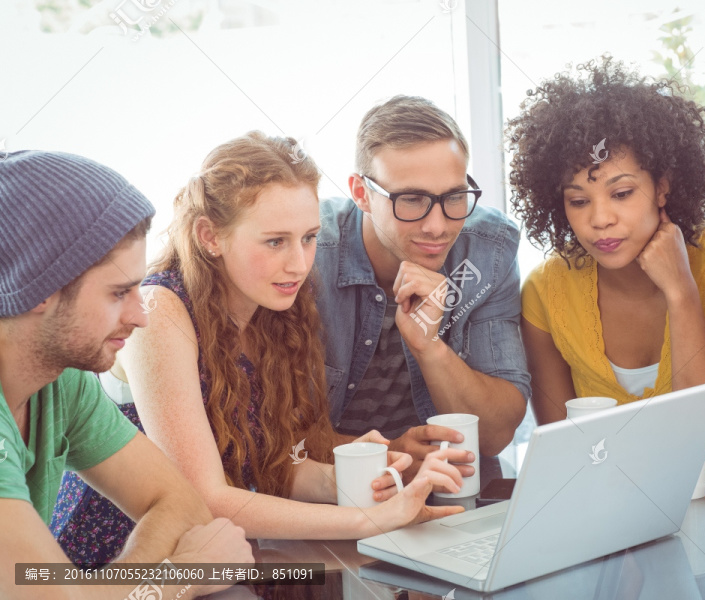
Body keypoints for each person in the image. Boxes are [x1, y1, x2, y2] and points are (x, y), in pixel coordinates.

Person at [51, 132, 467, 566]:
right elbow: (205, 499)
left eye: (308, 238)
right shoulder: (161, 310)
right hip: (117, 557)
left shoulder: (277, 305)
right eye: (275, 242)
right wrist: (367, 521)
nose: (299, 263)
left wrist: (347, 482)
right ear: (210, 235)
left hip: (213, 556)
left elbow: (272, 466)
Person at [0, 150, 252, 599]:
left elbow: (180, 505)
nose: (141, 317)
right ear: (39, 290)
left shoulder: (62, 381)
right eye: (119, 293)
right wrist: (181, 576)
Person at [506, 57, 705, 431]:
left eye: (622, 192)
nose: (599, 219)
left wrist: (680, 292)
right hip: (606, 490)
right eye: (578, 201)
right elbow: (561, 442)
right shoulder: (545, 293)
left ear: (661, 186)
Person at [317, 95, 531, 478]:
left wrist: (430, 347)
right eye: (411, 200)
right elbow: (268, 441)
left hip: (452, 488)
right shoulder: (309, 253)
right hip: (330, 496)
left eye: (454, 196)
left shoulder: (488, 249)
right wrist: (385, 454)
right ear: (362, 193)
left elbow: (495, 435)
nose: (438, 226)